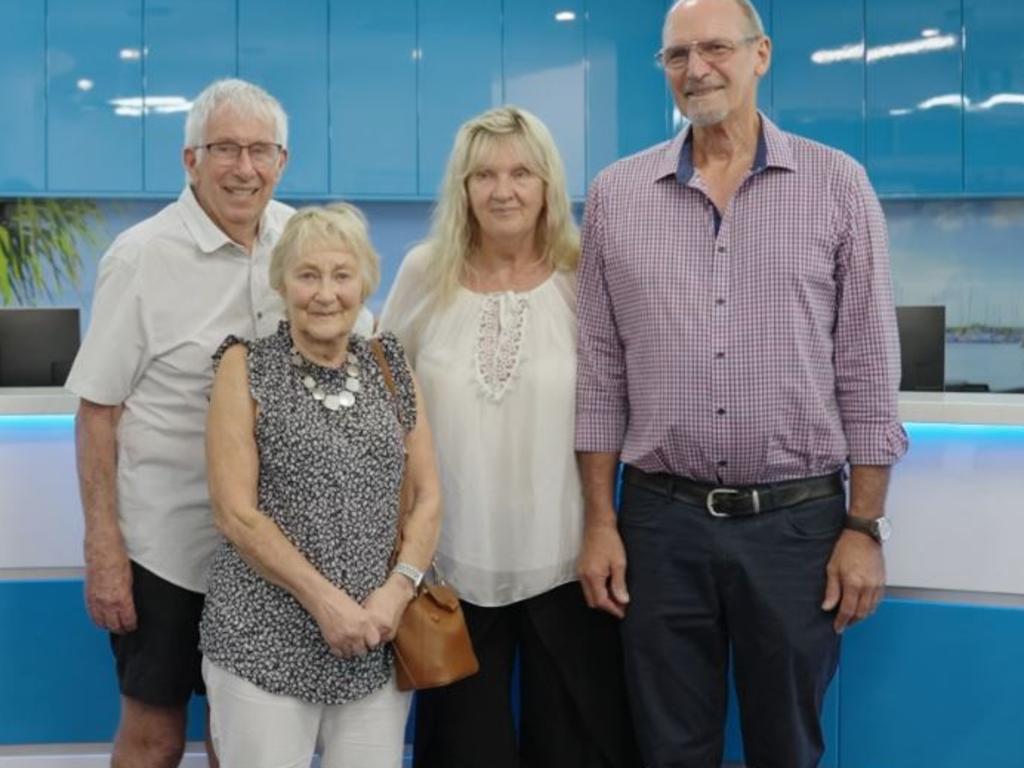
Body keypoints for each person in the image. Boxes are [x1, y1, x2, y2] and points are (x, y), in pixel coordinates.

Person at [574, 0, 908, 766]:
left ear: (761, 55)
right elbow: (601, 373)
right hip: (659, 524)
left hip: (797, 528)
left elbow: (866, 368)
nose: (697, 70)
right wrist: (600, 520)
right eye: (678, 56)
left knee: (786, 745)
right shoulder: (617, 196)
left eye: (716, 48)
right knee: (669, 746)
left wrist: (863, 529)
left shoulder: (836, 184)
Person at [66, 79, 373, 767]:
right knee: (155, 736)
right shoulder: (142, 258)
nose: (244, 168)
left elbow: (360, 350)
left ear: (283, 160)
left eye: (260, 150)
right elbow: (97, 412)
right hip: (171, 550)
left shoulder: (301, 244)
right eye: (225, 149)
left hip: (277, 557)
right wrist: (103, 546)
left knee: (242, 739)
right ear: (190, 160)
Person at [381, 106, 639, 768]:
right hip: (449, 569)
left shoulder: (587, 273)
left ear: (548, 184)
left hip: (569, 562)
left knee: (578, 747)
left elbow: (625, 397)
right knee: (465, 752)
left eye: (521, 172)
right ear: (461, 188)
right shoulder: (422, 273)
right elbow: (385, 406)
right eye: (485, 174)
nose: (503, 190)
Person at [197, 204, 440, 768]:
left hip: (375, 640)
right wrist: (328, 604)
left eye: (341, 275)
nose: (325, 293)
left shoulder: (391, 364)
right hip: (263, 642)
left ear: (366, 283)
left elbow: (428, 496)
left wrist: (395, 593)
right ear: (282, 283)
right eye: (307, 275)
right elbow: (236, 514)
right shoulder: (245, 365)